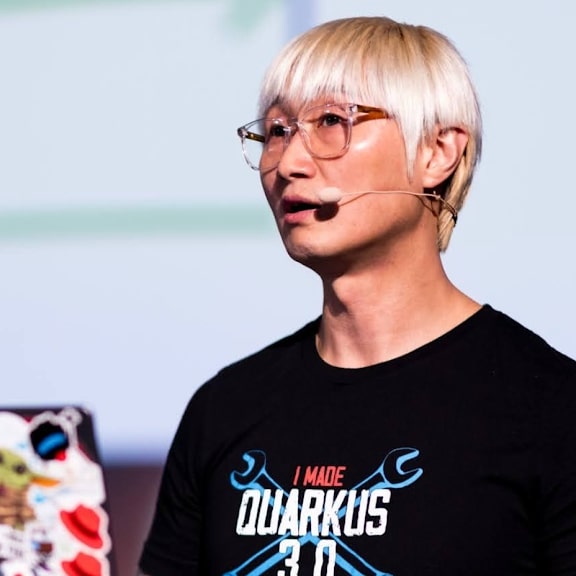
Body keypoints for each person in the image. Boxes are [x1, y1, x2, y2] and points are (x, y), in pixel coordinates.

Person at [138, 16, 576, 576]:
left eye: (331, 121)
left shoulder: (549, 408)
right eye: (276, 131)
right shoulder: (223, 410)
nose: (288, 164)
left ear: (437, 151)